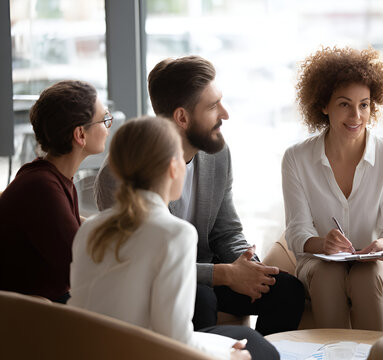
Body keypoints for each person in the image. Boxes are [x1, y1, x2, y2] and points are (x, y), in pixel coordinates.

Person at [94, 56, 304, 335]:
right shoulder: (122, 173)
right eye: (213, 106)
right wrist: (223, 275)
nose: (225, 114)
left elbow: (226, 231)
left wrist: (250, 267)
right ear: (182, 117)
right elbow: (147, 263)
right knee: (199, 297)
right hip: (155, 279)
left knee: (287, 290)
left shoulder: (216, 153)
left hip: (208, 270)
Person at [70, 117, 278, 360]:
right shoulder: (175, 234)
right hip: (144, 351)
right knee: (255, 345)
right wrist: (225, 355)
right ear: (172, 167)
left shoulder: (89, 229)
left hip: (90, 349)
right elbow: (173, 339)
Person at [282, 46, 383, 332]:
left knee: (366, 276)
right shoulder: (296, 158)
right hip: (319, 266)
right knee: (329, 273)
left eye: (364, 104)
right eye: (344, 104)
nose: (356, 115)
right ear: (323, 105)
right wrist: (323, 244)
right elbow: (297, 232)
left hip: (380, 268)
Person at [0, 80, 110, 303]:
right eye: (105, 119)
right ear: (80, 135)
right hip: (28, 316)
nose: (109, 128)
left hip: (44, 305)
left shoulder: (51, 178)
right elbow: (80, 266)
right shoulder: (41, 187)